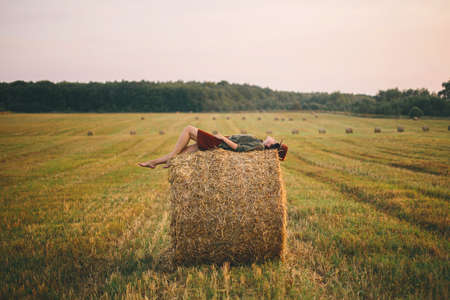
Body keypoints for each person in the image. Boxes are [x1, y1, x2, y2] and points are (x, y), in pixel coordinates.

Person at [137, 125, 288, 169]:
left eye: (275, 140)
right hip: (221, 144)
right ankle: (155, 162)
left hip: (220, 144)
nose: (272, 137)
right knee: (184, 153)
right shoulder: (259, 144)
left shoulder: (259, 147)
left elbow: (239, 148)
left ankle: (170, 157)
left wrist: (223, 138)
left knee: (189, 129)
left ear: (272, 145)